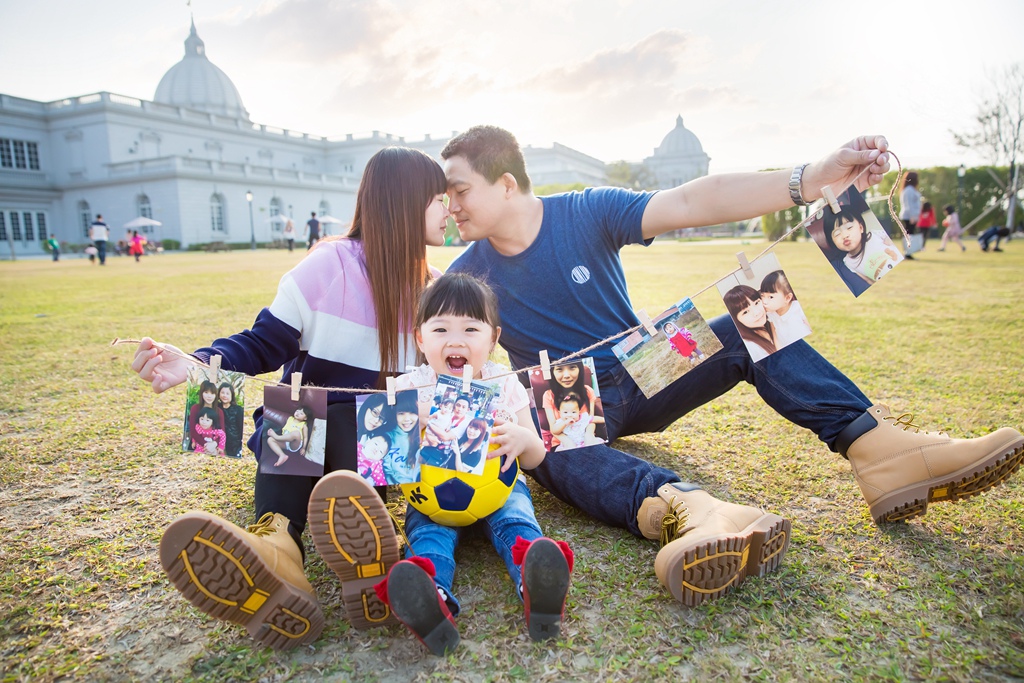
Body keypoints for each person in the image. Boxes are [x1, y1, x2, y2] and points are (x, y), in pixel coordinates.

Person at [440, 125, 1023, 605]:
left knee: (747, 312)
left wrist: (809, 180)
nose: (451, 205)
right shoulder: (465, 275)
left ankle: (882, 451)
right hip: (567, 400)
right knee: (534, 427)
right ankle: (692, 513)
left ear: (507, 184)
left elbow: (694, 199)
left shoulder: (584, 211)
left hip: (645, 364)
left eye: (460, 190)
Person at [131, 146, 452, 650]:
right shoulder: (330, 263)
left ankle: (349, 546)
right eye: (439, 199)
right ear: (407, 203)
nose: (449, 210)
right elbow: (264, 341)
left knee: (377, 417)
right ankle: (281, 548)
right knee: (293, 413)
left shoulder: (436, 291)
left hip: (379, 449)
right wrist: (197, 363)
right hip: (305, 435)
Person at [380, 271, 573, 654]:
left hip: (500, 487)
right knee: (427, 535)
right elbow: (384, 457)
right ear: (420, 337)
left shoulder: (504, 382)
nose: (455, 340)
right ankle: (430, 594)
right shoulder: (407, 386)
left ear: (493, 338)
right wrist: (403, 419)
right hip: (428, 495)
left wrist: (523, 440)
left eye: (470, 329)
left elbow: (536, 454)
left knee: (516, 518)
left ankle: (537, 579)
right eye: (440, 330)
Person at [824, 206, 902, 284]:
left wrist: (889, 240)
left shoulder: (875, 235)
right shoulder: (848, 262)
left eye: (849, 227)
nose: (845, 235)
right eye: (837, 234)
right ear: (832, 241)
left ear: (861, 228)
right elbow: (867, 280)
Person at [540, 360, 602, 450]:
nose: (566, 375)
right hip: (562, 443)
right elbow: (553, 429)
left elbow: (590, 420)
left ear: (579, 369)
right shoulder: (548, 395)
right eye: (559, 369)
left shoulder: (588, 391)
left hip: (587, 441)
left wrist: (589, 436)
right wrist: (568, 443)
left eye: (572, 367)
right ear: (552, 372)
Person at [723, 285, 777, 362]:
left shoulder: (774, 319)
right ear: (736, 320)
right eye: (745, 312)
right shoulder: (751, 347)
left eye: (756, 303)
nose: (757, 313)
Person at [759, 270, 811, 348]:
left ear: (787, 298)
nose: (764, 302)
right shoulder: (771, 314)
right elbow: (775, 338)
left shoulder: (797, 308)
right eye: (762, 296)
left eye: (771, 297)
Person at [384, 392, 422, 484]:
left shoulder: (424, 435)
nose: (407, 419)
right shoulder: (386, 437)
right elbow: (386, 473)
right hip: (395, 490)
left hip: (421, 489)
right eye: (401, 413)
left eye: (413, 412)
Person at [187, 380, 225, 451]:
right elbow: (193, 430)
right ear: (201, 393)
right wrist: (205, 445)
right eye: (206, 392)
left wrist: (214, 444)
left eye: (212, 393)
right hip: (196, 445)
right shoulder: (195, 408)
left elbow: (222, 431)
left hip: (214, 447)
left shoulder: (219, 412)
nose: (209, 396)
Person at [217, 382, 245, 458]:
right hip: (218, 443)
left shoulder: (238, 410)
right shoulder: (216, 408)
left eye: (227, 393)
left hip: (234, 444)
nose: (224, 395)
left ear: (232, 395)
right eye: (222, 393)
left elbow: (241, 428)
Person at [899, 171, 921, 259]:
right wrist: (912, 216)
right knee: (909, 234)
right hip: (908, 216)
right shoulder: (909, 190)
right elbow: (909, 205)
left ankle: (908, 253)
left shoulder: (909, 189)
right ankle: (907, 253)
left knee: (910, 234)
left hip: (911, 216)